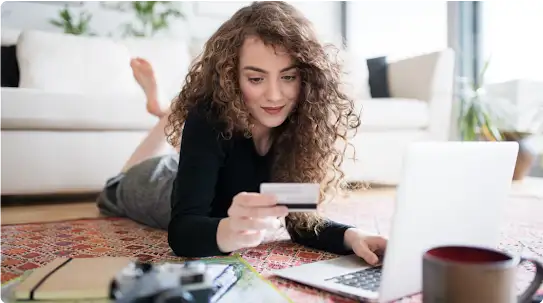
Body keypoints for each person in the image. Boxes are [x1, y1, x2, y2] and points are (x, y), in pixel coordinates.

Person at [97, 1, 387, 265]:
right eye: (256, 78)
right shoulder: (209, 116)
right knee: (117, 184)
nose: (274, 95)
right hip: (157, 185)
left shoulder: (301, 120)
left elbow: (300, 221)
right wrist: (228, 231)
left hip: (193, 170)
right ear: (231, 77)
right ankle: (168, 111)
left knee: (188, 164)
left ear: (307, 77)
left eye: (288, 77)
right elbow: (182, 231)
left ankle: (168, 112)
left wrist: (352, 236)